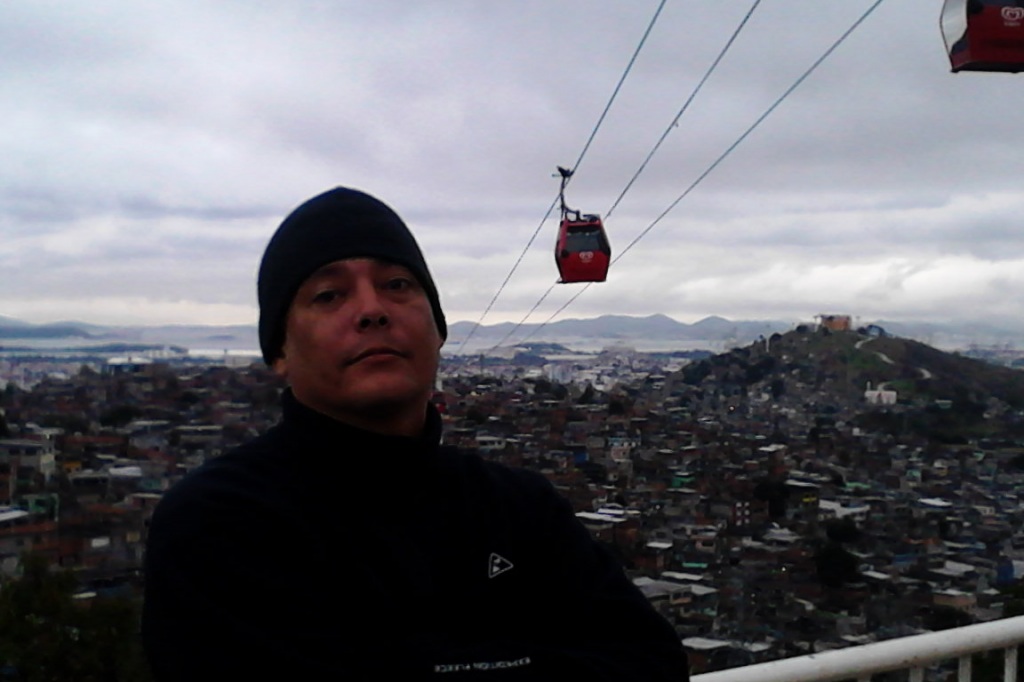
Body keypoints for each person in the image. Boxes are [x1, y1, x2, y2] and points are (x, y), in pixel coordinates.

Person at [142, 187, 689, 680]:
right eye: (329, 295)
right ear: (279, 351)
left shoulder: (519, 506)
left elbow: (652, 661)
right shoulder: (219, 520)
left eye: (397, 285)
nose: (372, 310)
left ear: (437, 329)